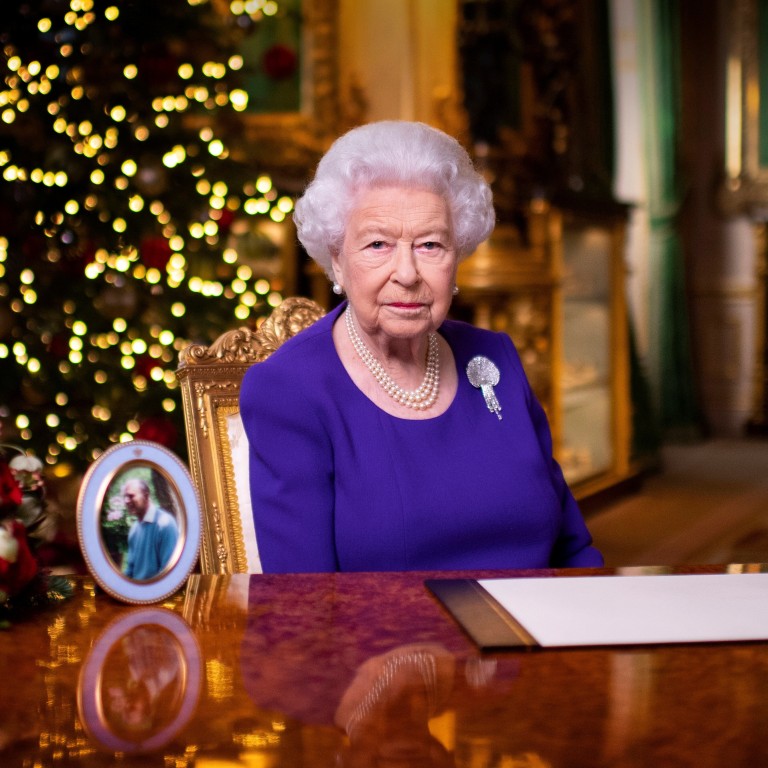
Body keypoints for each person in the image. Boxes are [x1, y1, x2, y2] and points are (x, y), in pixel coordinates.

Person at [240, 120, 602, 573]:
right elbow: (305, 607)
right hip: (389, 644)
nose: (407, 273)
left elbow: (573, 549)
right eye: (378, 244)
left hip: (535, 634)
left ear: (457, 258)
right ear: (337, 258)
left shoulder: (496, 359)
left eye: (430, 244)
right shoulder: (289, 390)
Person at [122, 478, 179, 580]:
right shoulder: (134, 530)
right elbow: (130, 570)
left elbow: (169, 573)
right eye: (125, 496)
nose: (126, 501)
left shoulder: (165, 525)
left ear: (146, 495)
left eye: (131, 496)